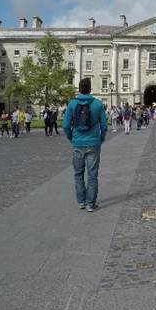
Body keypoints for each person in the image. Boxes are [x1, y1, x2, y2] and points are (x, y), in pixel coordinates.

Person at [62, 78, 107, 212]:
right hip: (93, 143)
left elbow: (65, 125)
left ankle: (81, 201)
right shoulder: (98, 104)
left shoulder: (72, 104)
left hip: (77, 142)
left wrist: (72, 138)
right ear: (90, 89)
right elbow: (104, 125)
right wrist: (101, 138)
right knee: (92, 174)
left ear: (79, 89)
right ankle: (90, 203)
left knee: (78, 173)